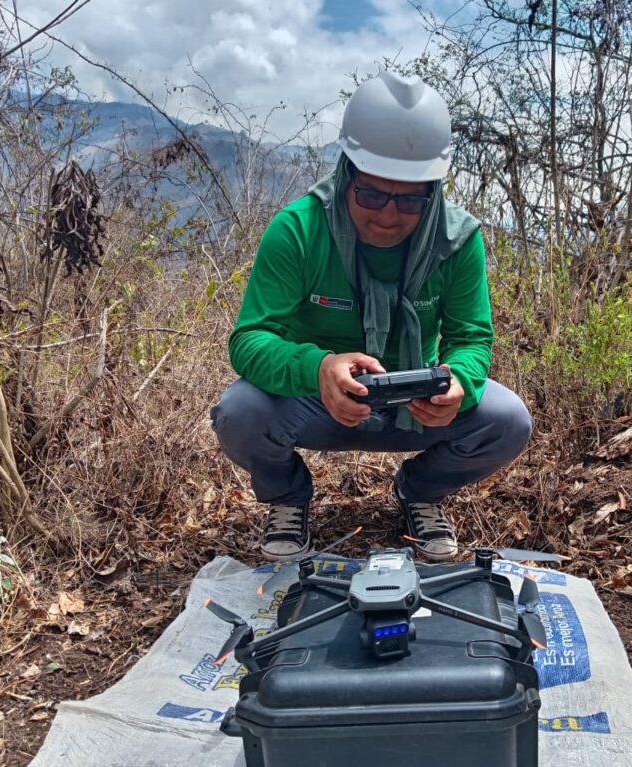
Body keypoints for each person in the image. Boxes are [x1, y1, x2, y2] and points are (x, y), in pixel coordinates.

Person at [210, 71, 531, 562]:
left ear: (434, 189)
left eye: (410, 200)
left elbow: (472, 337)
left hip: (415, 405)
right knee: (240, 413)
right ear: (346, 174)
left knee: (508, 421)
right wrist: (318, 369)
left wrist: (458, 380)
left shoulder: (458, 239)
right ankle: (288, 498)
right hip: (317, 401)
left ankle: (419, 491)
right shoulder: (298, 230)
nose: (387, 215)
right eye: (372, 195)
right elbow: (250, 339)